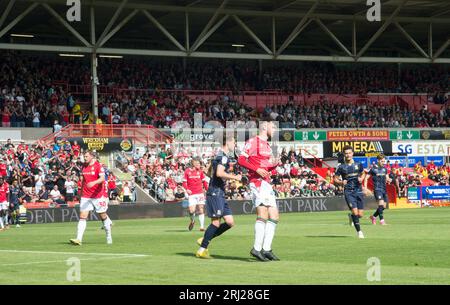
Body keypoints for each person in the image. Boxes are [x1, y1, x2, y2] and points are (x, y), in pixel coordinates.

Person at [238, 121, 281, 261]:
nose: (275, 129)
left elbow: (267, 167)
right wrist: (256, 169)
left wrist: (275, 164)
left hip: (266, 183)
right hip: (257, 182)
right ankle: (257, 249)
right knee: (262, 214)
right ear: (264, 127)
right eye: (273, 127)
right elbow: (241, 159)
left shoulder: (269, 145)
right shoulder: (253, 141)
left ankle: (266, 249)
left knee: (274, 216)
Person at [195, 134, 242, 259]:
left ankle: (205, 238)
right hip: (215, 193)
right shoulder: (224, 157)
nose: (235, 145)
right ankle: (202, 249)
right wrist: (235, 177)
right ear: (228, 142)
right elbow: (219, 173)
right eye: (234, 142)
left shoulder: (218, 155)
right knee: (216, 223)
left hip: (219, 192)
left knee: (230, 222)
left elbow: (208, 172)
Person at [70, 150, 113, 245]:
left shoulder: (98, 166)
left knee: (103, 216)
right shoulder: (84, 167)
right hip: (86, 195)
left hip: (97, 196)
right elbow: (84, 182)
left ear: (92, 156)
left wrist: (93, 183)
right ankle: (78, 239)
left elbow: (102, 178)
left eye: (86, 156)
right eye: (84, 156)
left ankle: (108, 236)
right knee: (82, 217)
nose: (84, 158)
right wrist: (80, 195)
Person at [334, 145, 367, 238]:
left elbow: (363, 173)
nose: (348, 155)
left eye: (349, 153)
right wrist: (341, 182)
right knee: (355, 212)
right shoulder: (341, 167)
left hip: (358, 190)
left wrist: (361, 178)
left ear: (352, 153)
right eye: (346, 153)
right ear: (344, 155)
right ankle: (359, 232)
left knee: (360, 214)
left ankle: (351, 217)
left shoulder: (358, 164)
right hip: (349, 191)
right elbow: (335, 179)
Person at [183, 158, 209, 231]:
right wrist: (187, 189)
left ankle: (202, 227)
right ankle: (192, 221)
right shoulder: (187, 171)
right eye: (197, 163)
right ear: (193, 163)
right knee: (191, 211)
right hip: (192, 194)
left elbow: (204, 182)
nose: (199, 165)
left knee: (201, 209)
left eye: (199, 163)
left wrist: (208, 190)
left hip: (200, 193)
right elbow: (184, 183)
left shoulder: (200, 172)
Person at [365, 155, 391, 225]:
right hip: (377, 189)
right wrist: (365, 188)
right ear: (378, 160)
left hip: (384, 189)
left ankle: (373, 217)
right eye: (382, 161)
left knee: (384, 207)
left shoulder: (384, 169)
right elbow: (366, 178)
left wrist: (389, 180)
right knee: (381, 204)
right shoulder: (373, 169)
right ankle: (382, 221)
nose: (383, 162)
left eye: (384, 161)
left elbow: (387, 178)